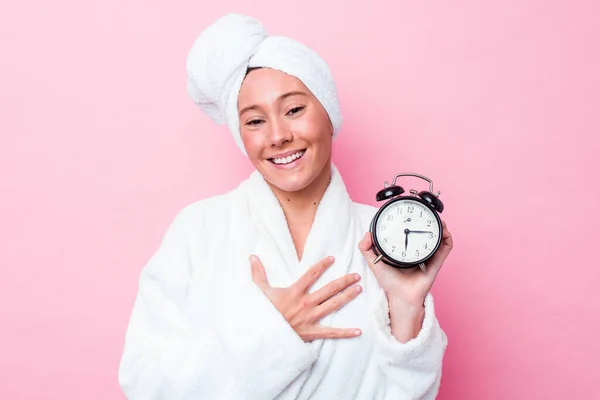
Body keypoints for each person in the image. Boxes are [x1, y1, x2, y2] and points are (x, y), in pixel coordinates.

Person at [118, 12, 453, 400]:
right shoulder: (199, 231)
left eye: (294, 110)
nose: (277, 136)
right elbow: (145, 382)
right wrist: (273, 333)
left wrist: (408, 306)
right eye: (255, 121)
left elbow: (410, 392)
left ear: (329, 113)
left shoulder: (384, 239)